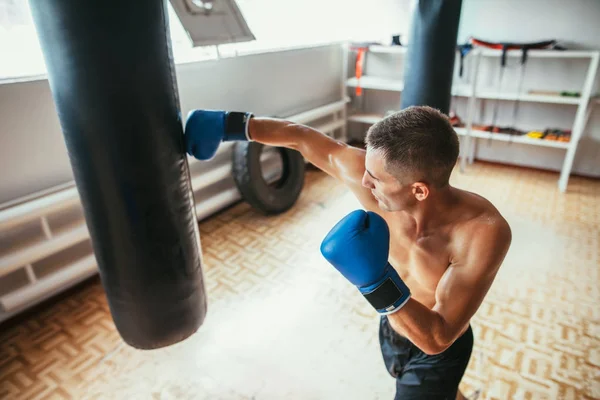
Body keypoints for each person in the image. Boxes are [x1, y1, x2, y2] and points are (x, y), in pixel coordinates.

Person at [184, 105, 512, 400]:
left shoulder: (482, 231)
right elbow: (300, 138)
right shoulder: (373, 175)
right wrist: (231, 125)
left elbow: (437, 337)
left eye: (376, 179)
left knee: (434, 386)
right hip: (393, 327)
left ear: (419, 190)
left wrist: (375, 283)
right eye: (366, 169)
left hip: (437, 350)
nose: (363, 181)